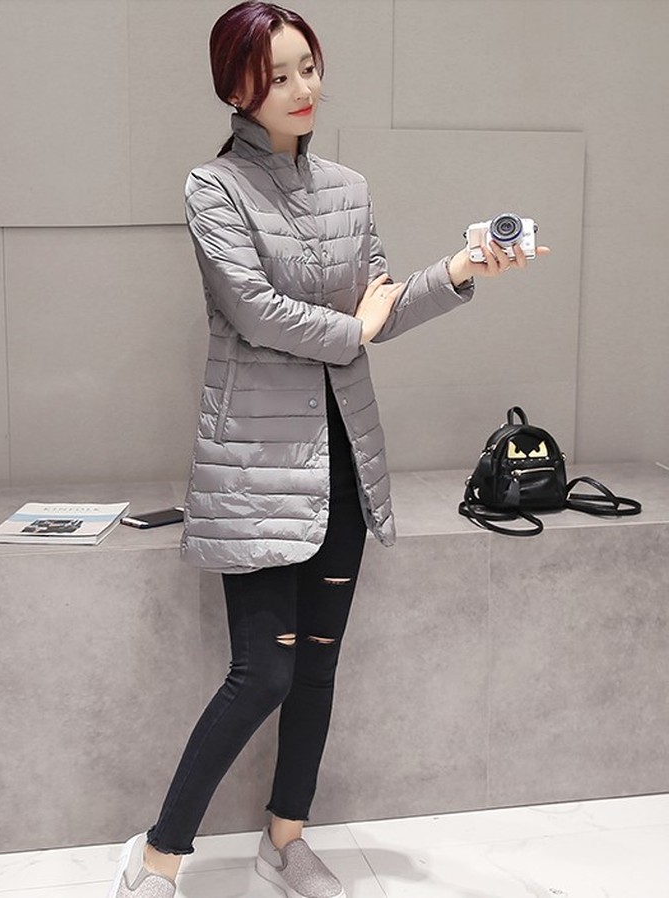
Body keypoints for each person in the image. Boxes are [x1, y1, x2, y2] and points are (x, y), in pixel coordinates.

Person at [108, 3, 549, 897]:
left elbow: (380, 307)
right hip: (257, 468)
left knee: (315, 665)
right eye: (276, 75)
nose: (301, 87)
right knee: (261, 672)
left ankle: (285, 840)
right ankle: (157, 856)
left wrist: (460, 271)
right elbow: (256, 313)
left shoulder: (348, 187)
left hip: (344, 456)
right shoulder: (213, 188)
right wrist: (359, 325)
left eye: (307, 66)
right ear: (236, 88)